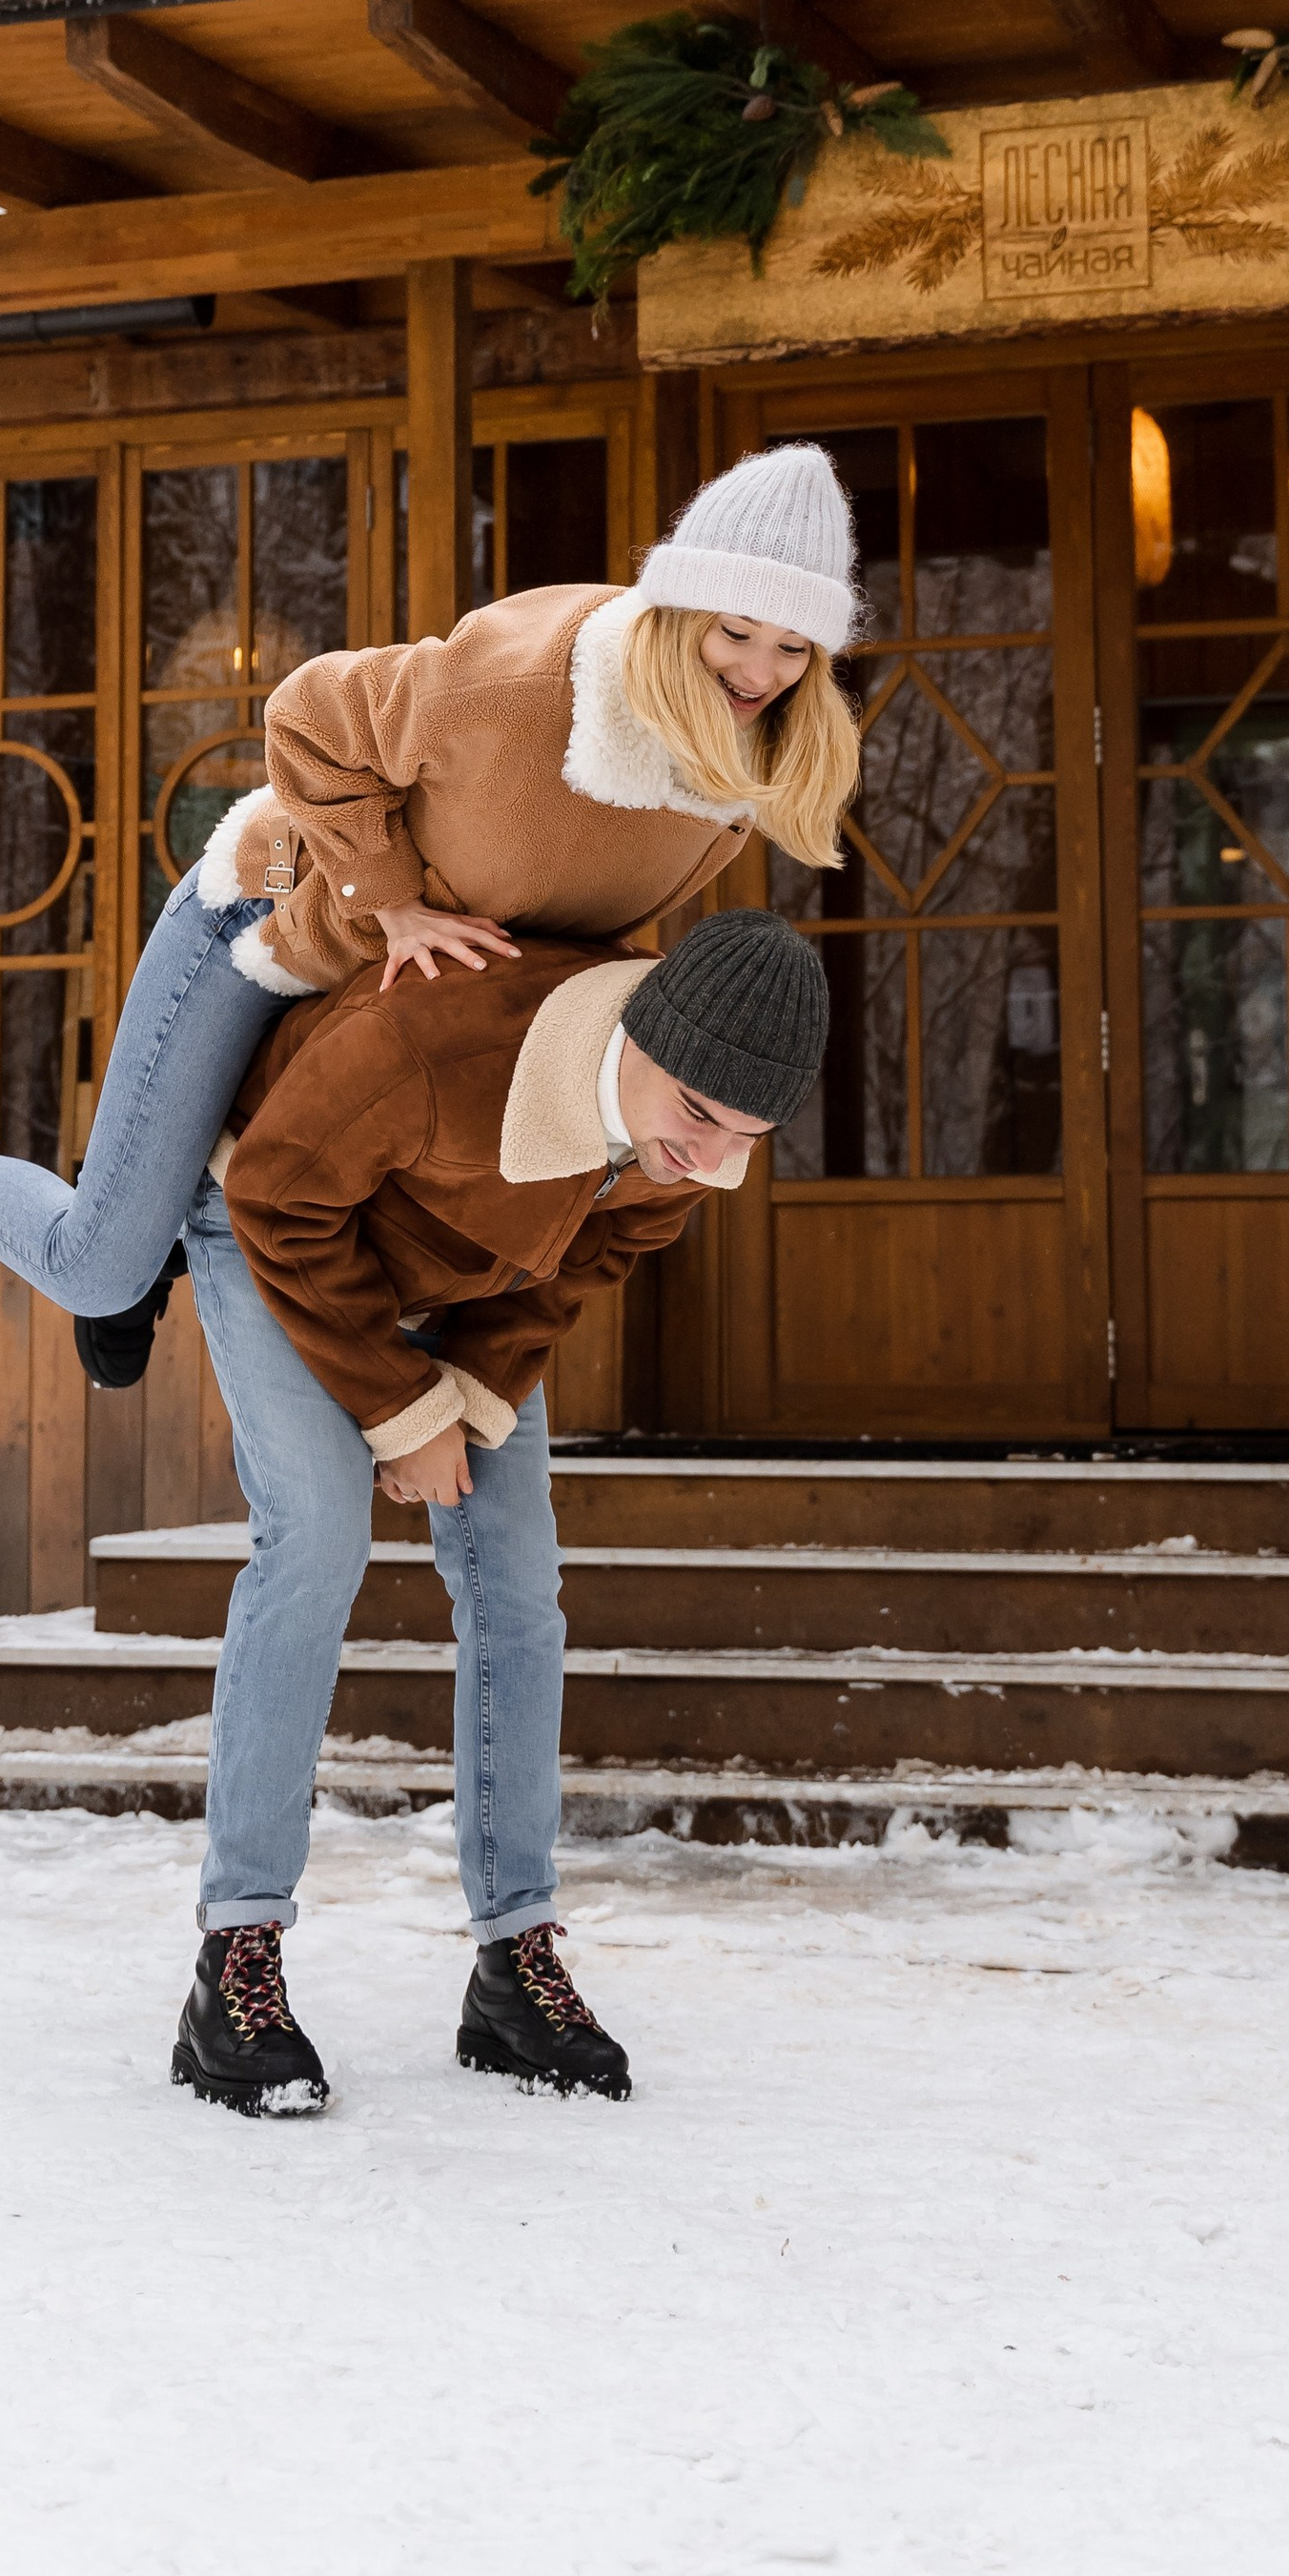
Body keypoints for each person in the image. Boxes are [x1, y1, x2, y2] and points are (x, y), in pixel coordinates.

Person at [0, 443, 864, 1380]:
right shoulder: (530, 685)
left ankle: (154, 1225)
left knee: (221, 1188)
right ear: (678, 610)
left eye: (793, 650)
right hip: (272, 922)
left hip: (388, 1014)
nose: (759, 672)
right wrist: (392, 902)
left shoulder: (746, 766)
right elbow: (307, 718)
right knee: (95, 1263)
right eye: (736, 632)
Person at [169, 905, 832, 2116]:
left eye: (749, 1136)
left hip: (462, 1282)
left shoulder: (676, 1151)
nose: (712, 1159)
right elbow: (278, 1195)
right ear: (640, 1034)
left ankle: (512, 1963)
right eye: (698, 1116)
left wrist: (461, 1399)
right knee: (315, 1543)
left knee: (521, 1592)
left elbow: (584, 1265)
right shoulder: (436, 1046)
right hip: (284, 1230)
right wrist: (393, 1408)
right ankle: (237, 1955)